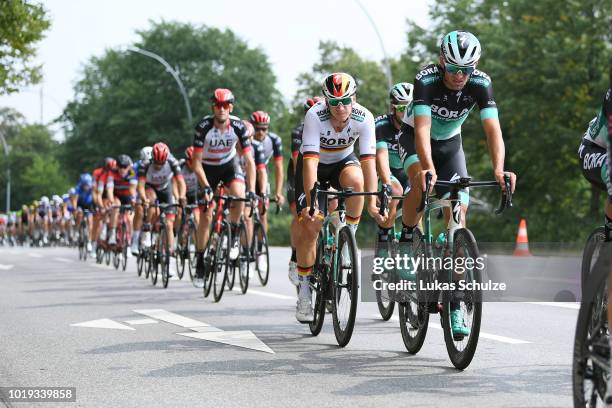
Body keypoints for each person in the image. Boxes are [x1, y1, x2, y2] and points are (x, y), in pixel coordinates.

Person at [397, 30, 516, 338]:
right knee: (420, 183)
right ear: (441, 62)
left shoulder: (481, 83)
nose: (460, 76)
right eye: (453, 69)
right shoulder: (426, 80)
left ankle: (456, 302)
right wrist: (428, 168)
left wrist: (500, 169)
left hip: (451, 144)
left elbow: (493, 131)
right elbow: (422, 129)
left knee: (459, 215)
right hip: (414, 140)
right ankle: (408, 239)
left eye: (467, 69)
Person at [294, 72, 385, 322]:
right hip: (314, 164)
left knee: (357, 182)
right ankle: (304, 288)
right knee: (310, 224)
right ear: (325, 101)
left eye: (346, 100)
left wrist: (372, 201)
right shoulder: (315, 115)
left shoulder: (363, 117)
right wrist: (312, 203)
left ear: (354, 98)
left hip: (343, 161)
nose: (341, 107)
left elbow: (369, 163)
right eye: (334, 102)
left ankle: (348, 237)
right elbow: (310, 163)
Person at [191, 88, 256, 288]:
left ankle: (234, 236)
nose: (221, 109)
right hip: (207, 169)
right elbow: (196, 163)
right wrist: (206, 187)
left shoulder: (238, 126)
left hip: (228, 166)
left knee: (239, 197)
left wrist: (251, 191)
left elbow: (249, 161)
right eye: (218, 105)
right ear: (213, 106)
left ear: (231, 107)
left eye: (225, 105)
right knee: (207, 215)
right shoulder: (203, 126)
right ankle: (200, 261)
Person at [374, 82, 414, 258]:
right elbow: (381, 156)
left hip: (407, 170)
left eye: (410, 107)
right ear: (392, 107)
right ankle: (384, 238)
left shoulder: (419, 123)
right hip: (386, 170)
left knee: (417, 200)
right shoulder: (381, 124)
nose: (405, 113)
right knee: (395, 191)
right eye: (401, 107)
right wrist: (387, 183)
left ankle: (410, 246)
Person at [287, 96, 323, 286]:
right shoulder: (299, 131)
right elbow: (296, 161)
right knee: (299, 215)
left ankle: (332, 244)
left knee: (333, 205)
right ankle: (295, 255)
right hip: (299, 173)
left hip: (323, 172)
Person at [137, 142, 186, 256]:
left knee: (169, 223)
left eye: (161, 163)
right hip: (150, 187)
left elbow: (180, 182)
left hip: (165, 187)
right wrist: (144, 198)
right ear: (152, 158)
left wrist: (182, 196)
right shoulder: (145, 164)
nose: (159, 166)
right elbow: (140, 185)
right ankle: (147, 230)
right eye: (156, 162)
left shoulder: (172, 162)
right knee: (152, 201)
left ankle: (170, 254)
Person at [106, 154, 137, 245]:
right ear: (117, 166)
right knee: (116, 206)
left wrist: (133, 199)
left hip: (128, 196)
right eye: (120, 167)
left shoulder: (132, 172)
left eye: (125, 167)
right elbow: (110, 189)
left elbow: (133, 189)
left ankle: (129, 242)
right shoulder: (112, 172)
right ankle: (112, 234)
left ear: (129, 167)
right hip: (116, 195)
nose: (122, 169)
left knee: (130, 219)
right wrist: (111, 200)